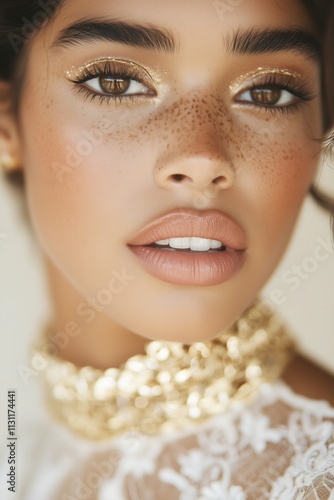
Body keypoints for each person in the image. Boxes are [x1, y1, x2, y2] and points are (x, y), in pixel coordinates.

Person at [0, 0, 333, 498]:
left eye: (268, 91)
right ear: (7, 129)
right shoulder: (21, 447)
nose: (202, 158)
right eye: (116, 82)